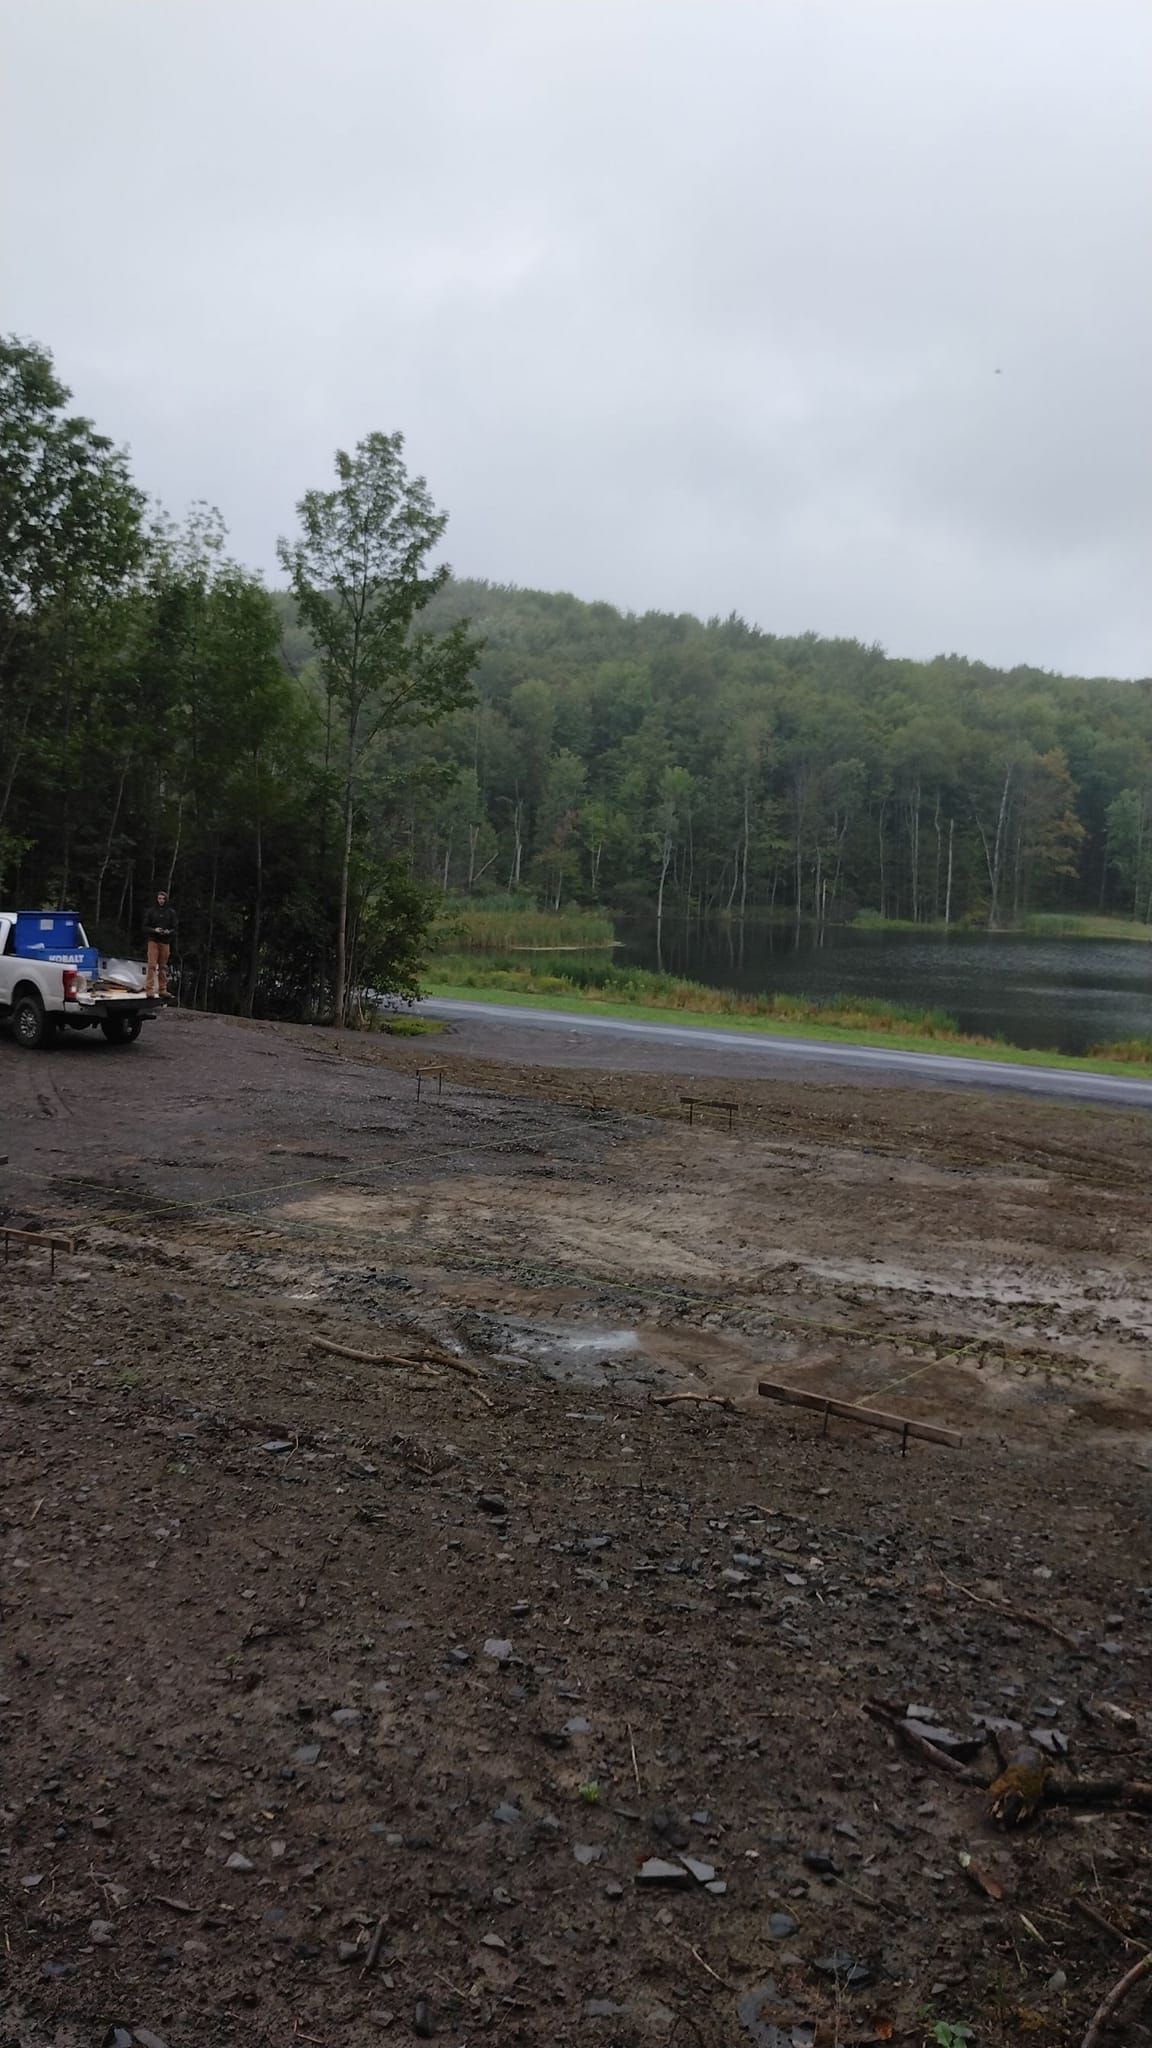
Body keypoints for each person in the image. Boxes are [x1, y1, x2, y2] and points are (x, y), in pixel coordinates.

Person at [143, 889, 177, 999]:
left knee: (163, 967)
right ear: (156, 899)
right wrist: (155, 930)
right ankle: (149, 989)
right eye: (159, 898)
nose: (161, 901)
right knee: (152, 965)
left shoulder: (171, 913)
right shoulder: (151, 912)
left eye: (163, 899)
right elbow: (145, 927)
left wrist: (168, 932)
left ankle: (162, 989)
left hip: (165, 942)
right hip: (153, 940)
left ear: (166, 900)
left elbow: (175, 928)